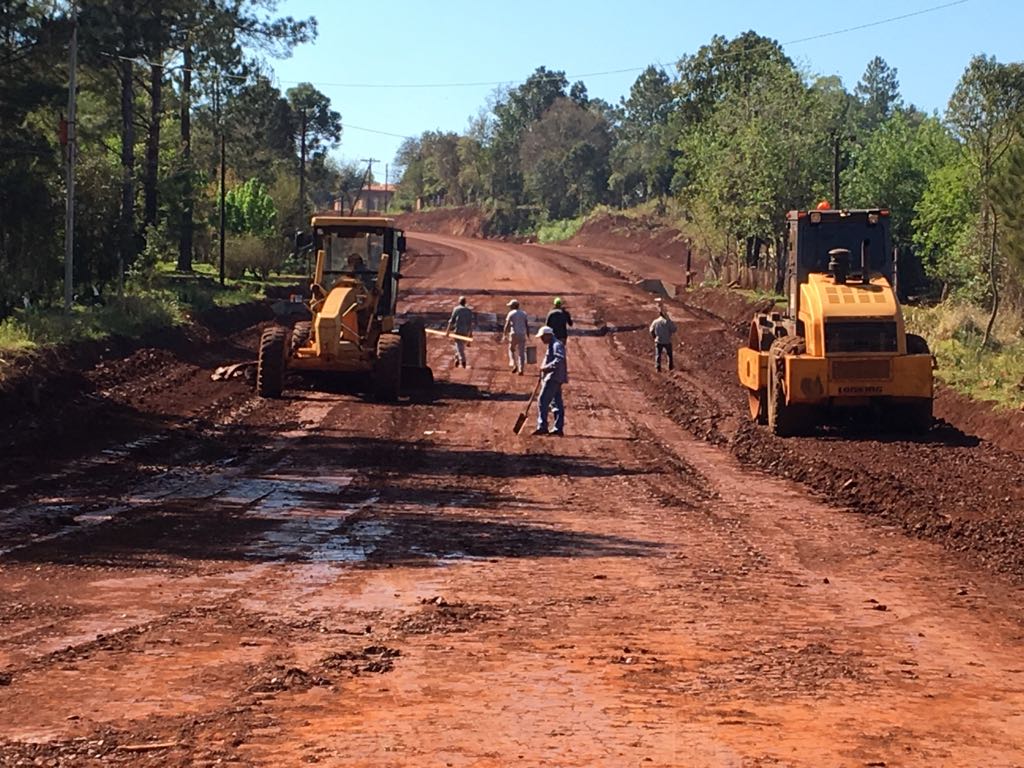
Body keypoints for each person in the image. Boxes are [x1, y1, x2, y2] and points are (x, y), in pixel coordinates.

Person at [534, 325, 568, 436]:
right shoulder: (552, 344)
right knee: (556, 403)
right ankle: (558, 428)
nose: (542, 339)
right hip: (554, 377)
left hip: (553, 377)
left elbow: (559, 358)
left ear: (548, 335)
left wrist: (547, 367)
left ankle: (542, 426)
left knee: (542, 400)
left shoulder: (556, 344)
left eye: (543, 337)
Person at [502, 299, 530, 375]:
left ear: (513, 306)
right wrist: (528, 335)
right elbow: (526, 325)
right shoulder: (524, 314)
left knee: (511, 349)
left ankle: (514, 364)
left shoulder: (511, 313)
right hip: (522, 334)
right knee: (521, 352)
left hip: (513, 333)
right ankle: (521, 369)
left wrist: (504, 334)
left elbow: (507, 325)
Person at [446, 296, 474, 367]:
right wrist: (470, 334)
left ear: (459, 302)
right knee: (460, 347)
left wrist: (448, 331)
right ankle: (457, 358)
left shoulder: (456, 309)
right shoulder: (469, 311)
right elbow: (470, 324)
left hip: (458, 331)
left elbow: (451, 321)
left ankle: (463, 360)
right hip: (465, 332)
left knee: (460, 347)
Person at [649, 301, 678, 372]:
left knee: (658, 355)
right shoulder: (667, 322)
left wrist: (654, 337)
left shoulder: (655, 321)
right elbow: (674, 329)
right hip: (667, 340)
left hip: (658, 340)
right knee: (669, 355)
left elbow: (651, 330)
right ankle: (670, 367)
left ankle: (658, 368)